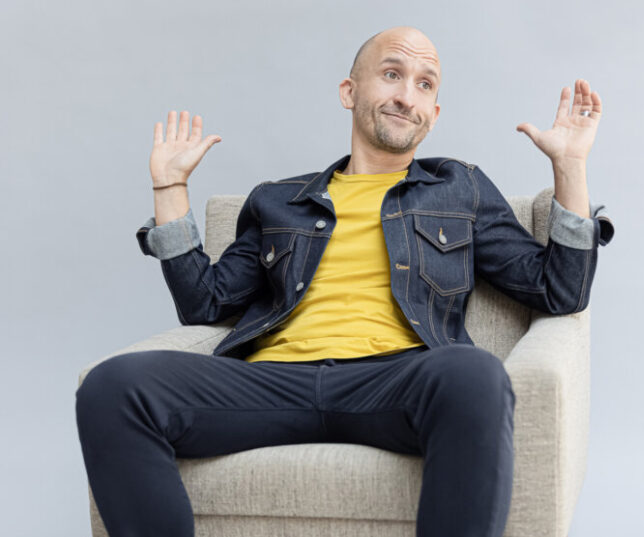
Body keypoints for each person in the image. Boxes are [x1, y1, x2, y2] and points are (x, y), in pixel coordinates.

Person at [75, 26, 614, 537]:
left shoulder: (460, 188)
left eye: (424, 85)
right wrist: (169, 188)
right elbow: (204, 303)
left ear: (434, 111)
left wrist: (570, 168)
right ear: (348, 91)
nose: (407, 95)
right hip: (272, 384)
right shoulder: (277, 199)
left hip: (396, 380)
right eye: (392, 74)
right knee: (112, 385)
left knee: (475, 373)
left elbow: (559, 292)